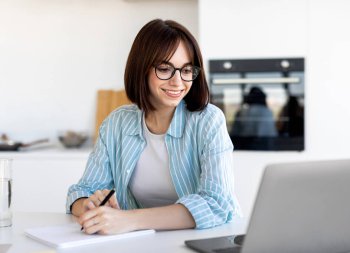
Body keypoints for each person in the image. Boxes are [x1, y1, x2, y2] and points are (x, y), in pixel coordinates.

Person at [66, 19, 240, 235]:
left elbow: (216, 204)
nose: (178, 82)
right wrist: (89, 206)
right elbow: (81, 191)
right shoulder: (116, 124)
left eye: (186, 70)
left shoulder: (209, 121)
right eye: (165, 69)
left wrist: (129, 220)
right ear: (142, 69)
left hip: (206, 240)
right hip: (143, 243)